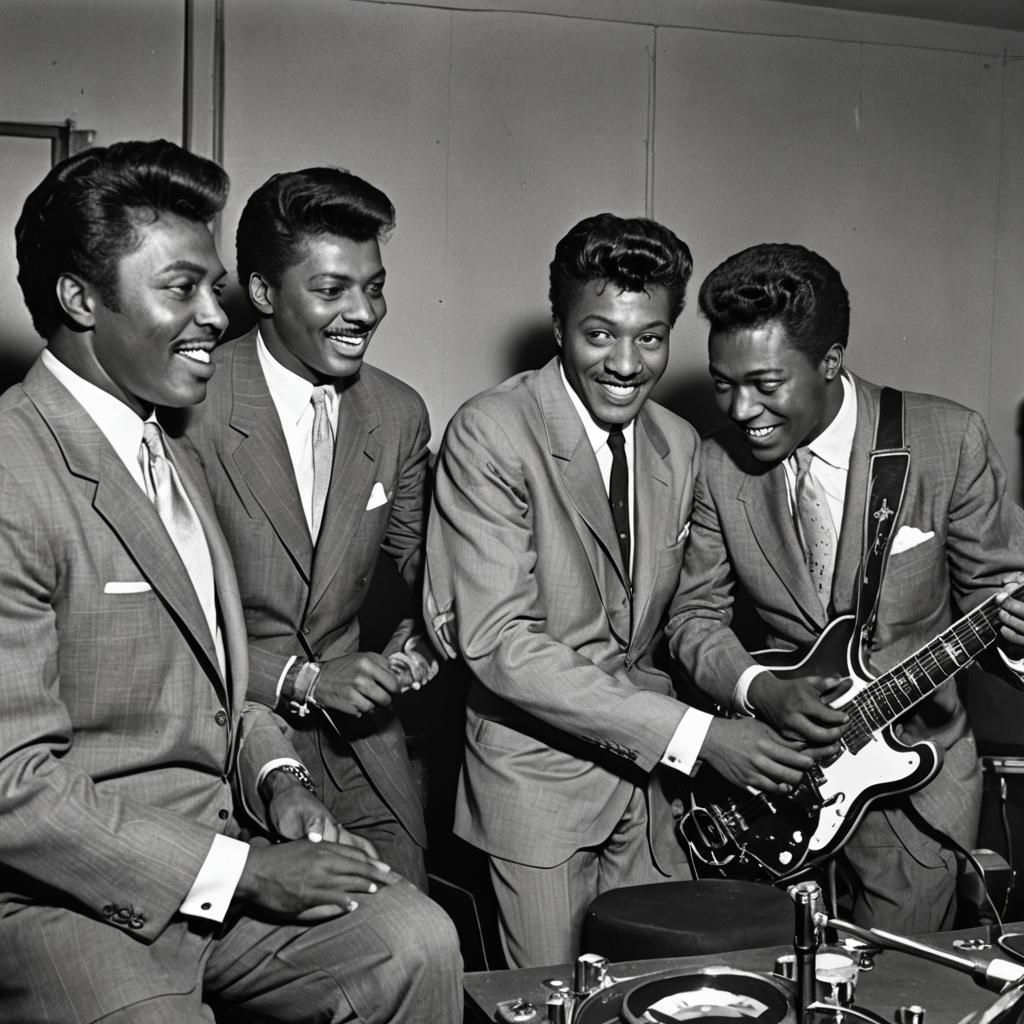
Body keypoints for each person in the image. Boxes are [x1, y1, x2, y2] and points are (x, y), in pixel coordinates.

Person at [0, 139, 461, 1023]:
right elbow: (15, 787)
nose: (214, 315)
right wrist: (246, 871)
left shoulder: (160, 441)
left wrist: (282, 781)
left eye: (212, 286)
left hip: (220, 839)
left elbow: (214, 688)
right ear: (78, 298)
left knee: (418, 942)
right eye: (181, 288)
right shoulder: (18, 469)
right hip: (69, 895)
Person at [424, 214, 817, 968]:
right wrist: (700, 739)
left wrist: (765, 696)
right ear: (558, 325)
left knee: (658, 1002)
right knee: (554, 1011)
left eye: (651, 337)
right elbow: (501, 644)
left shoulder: (678, 444)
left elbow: (688, 620)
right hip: (536, 791)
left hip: (651, 802)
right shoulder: (492, 432)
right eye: (600, 334)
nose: (627, 363)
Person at [667, 241, 1024, 933]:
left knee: (902, 992)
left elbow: (998, 599)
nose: (741, 409)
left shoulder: (948, 440)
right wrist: (759, 689)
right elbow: (694, 620)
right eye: (722, 383)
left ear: (830, 361)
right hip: (772, 778)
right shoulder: (715, 465)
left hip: (915, 790)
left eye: (766, 384)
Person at [181, 167, 434, 891]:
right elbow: (171, 626)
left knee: (414, 928)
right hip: (226, 737)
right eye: (331, 291)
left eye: (375, 286)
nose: (364, 313)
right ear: (262, 292)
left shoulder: (398, 412)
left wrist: (423, 635)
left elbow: (428, 563)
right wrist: (304, 680)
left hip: (365, 745)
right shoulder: (187, 405)